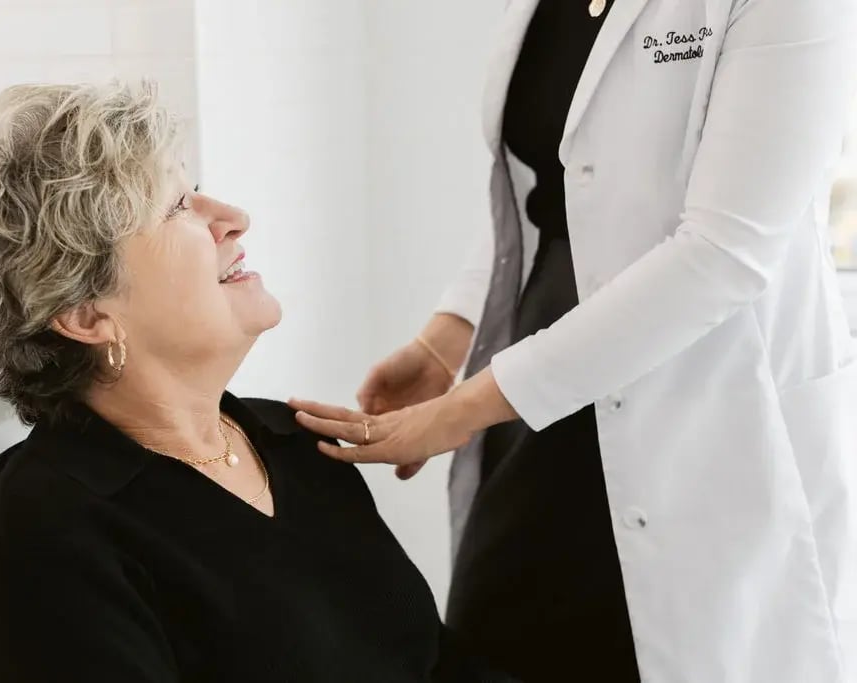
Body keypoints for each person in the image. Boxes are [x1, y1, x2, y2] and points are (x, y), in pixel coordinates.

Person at [290, 1, 857, 681]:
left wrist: (459, 411)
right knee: (497, 648)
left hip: (704, 401)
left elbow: (725, 253)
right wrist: (448, 341)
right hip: (537, 392)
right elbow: (556, 191)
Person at [0, 80, 511, 683]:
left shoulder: (295, 442)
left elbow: (433, 663)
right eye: (177, 208)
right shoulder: (43, 528)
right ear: (86, 314)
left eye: (196, 191)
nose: (233, 219)